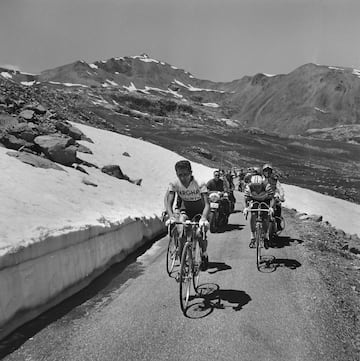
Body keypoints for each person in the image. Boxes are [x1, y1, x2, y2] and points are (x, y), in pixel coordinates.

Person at [165, 160, 210, 270]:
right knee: (181, 235)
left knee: (200, 234)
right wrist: (171, 216)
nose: (183, 178)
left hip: (200, 211)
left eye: (186, 174)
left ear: (191, 172)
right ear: (176, 174)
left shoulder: (199, 183)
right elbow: (168, 202)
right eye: (180, 175)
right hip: (186, 211)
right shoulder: (174, 184)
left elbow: (207, 204)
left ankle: (204, 253)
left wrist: (204, 217)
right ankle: (182, 265)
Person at [243, 174, 275, 248]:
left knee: (266, 217)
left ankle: (266, 237)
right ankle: (252, 237)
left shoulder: (267, 186)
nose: (256, 188)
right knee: (253, 215)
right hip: (254, 200)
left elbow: (272, 198)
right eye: (255, 186)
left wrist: (271, 207)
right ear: (252, 184)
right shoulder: (249, 187)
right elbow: (246, 198)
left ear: (262, 184)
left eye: (258, 186)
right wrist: (246, 208)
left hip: (265, 200)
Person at [262, 163, 285, 230]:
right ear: (263, 171)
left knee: (278, 207)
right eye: (265, 170)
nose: (267, 172)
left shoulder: (274, 180)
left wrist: (281, 196)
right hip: (263, 197)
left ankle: (278, 223)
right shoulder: (260, 179)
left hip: (272, 197)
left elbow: (280, 188)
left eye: (269, 171)